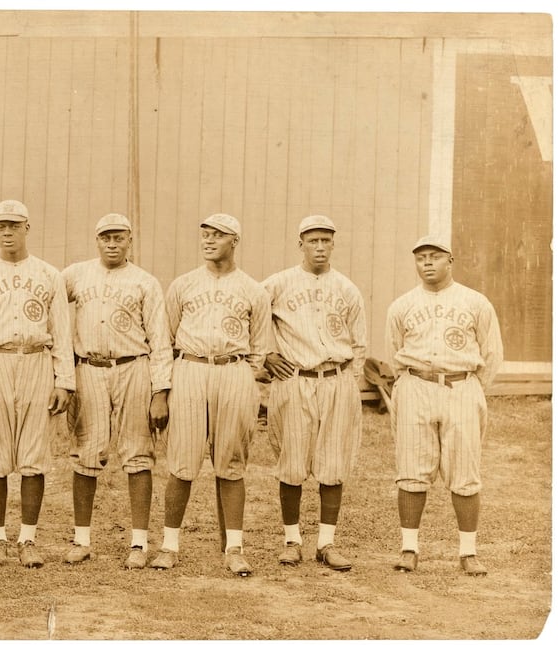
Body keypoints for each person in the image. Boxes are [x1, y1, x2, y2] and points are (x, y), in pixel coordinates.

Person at [154, 213, 273, 576]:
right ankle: (169, 546)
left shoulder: (253, 289)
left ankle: (234, 547)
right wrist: (161, 391)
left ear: (234, 241)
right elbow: (163, 342)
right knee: (183, 465)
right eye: (204, 234)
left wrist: (241, 378)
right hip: (190, 368)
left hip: (233, 370)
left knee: (231, 464)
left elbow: (260, 347)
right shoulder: (183, 285)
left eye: (218, 235)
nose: (208, 240)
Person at [0, 199, 75, 568]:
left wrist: (64, 380)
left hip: (36, 360)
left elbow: (62, 332)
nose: (7, 232)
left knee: (33, 456)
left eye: (14, 226)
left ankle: (27, 538)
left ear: (27, 228)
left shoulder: (49, 274)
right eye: (0, 226)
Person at [385, 233, 502, 576]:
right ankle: (409, 549)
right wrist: (409, 382)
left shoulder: (475, 302)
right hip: (415, 385)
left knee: (465, 474)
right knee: (411, 470)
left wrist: (472, 389)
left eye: (435, 256)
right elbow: (394, 352)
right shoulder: (402, 304)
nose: (428, 263)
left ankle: (468, 552)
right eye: (421, 257)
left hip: (461, 387)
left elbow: (492, 353)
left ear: (450, 260)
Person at [60, 213, 172, 568]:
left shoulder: (145, 282)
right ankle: (81, 539)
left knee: (137, 454)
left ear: (129, 240)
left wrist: (160, 391)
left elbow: (160, 339)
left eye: (118, 238)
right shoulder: (76, 274)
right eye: (106, 237)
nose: (112, 243)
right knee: (86, 453)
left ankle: (138, 544)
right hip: (89, 367)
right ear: (97, 240)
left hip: (133, 366)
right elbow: (47, 301)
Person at [261, 215, 367, 571]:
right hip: (295, 378)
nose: (319, 247)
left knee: (332, 465)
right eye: (313, 241)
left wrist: (349, 384)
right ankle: (292, 540)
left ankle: (326, 542)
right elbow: (250, 315)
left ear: (333, 244)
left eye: (325, 240)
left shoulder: (347, 288)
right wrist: (265, 354)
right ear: (300, 244)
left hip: (336, 378)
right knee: (291, 463)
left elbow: (360, 343)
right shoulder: (277, 283)